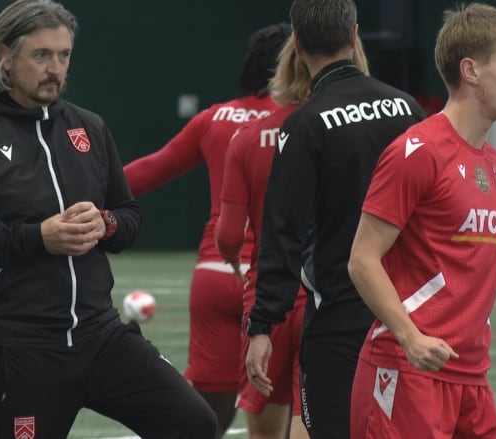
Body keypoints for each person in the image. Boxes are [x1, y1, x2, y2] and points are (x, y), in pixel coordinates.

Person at [0, 1, 216, 438]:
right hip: (20, 347)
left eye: (64, 55)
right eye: (41, 55)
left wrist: (106, 225)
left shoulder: (90, 128)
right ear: (4, 55)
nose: (54, 68)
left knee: (193, 423)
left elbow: (129, 216)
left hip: (101, 335)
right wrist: (38, 237)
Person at [347, 3, 496, 438]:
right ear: (470, 70)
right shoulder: (417, 151)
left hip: (472, 378)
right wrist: (410, 338)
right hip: (407, 372)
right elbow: (362, 259)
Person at [243, 0, 426, 437]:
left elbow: (283, 232)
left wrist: (262, 325)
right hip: (408, 315)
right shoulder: (407, 109)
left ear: (299, 45)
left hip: (340, 322)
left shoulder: (304, 125)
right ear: (355, 35)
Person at [123, 23, 292, 438]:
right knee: (277, 420)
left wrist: (79, 189)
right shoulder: (304, 121)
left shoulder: (214, 118)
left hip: (215, 275)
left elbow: (151, 169)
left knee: (205, 419)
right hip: (277, 284)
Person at [215, 35, 370, 439]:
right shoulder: (345, 128)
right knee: (313, 418)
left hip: (269, 295)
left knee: (265, 425)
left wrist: (236, 267)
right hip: (331, 293)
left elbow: (229, 235)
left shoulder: (248, 137)